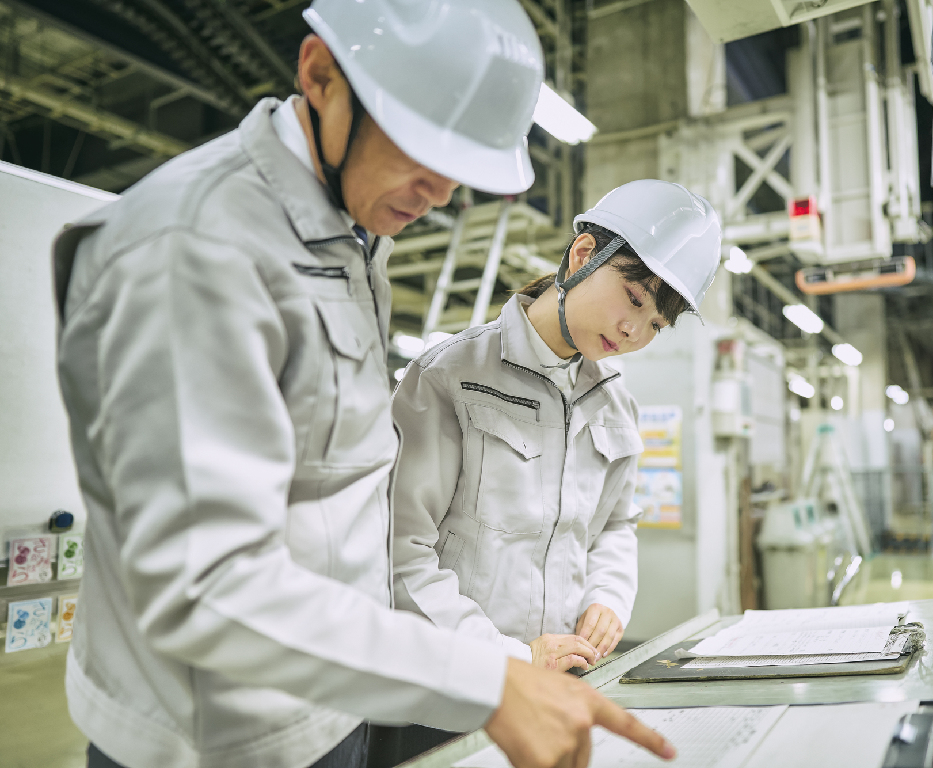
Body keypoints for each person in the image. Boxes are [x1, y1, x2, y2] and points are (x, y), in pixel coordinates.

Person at [50, 2, 675, 767]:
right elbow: (200, 585)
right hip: (209, 737)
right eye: (423, 146)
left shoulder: (350, 236)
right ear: (319, 76)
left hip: (338, 705)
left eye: (464, 167)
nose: (442, 192)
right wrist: (487, 674)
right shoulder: (195, 248)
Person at [382, 180, 721, 755]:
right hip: (448, 700)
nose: (633, 333)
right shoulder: (451, 376)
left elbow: (615, 524)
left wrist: (608, 599)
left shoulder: (615, 403)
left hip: (558, 687)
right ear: (584, 255)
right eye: (635, 300)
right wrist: (511, 659)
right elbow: (400, 555)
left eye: (656, 327)